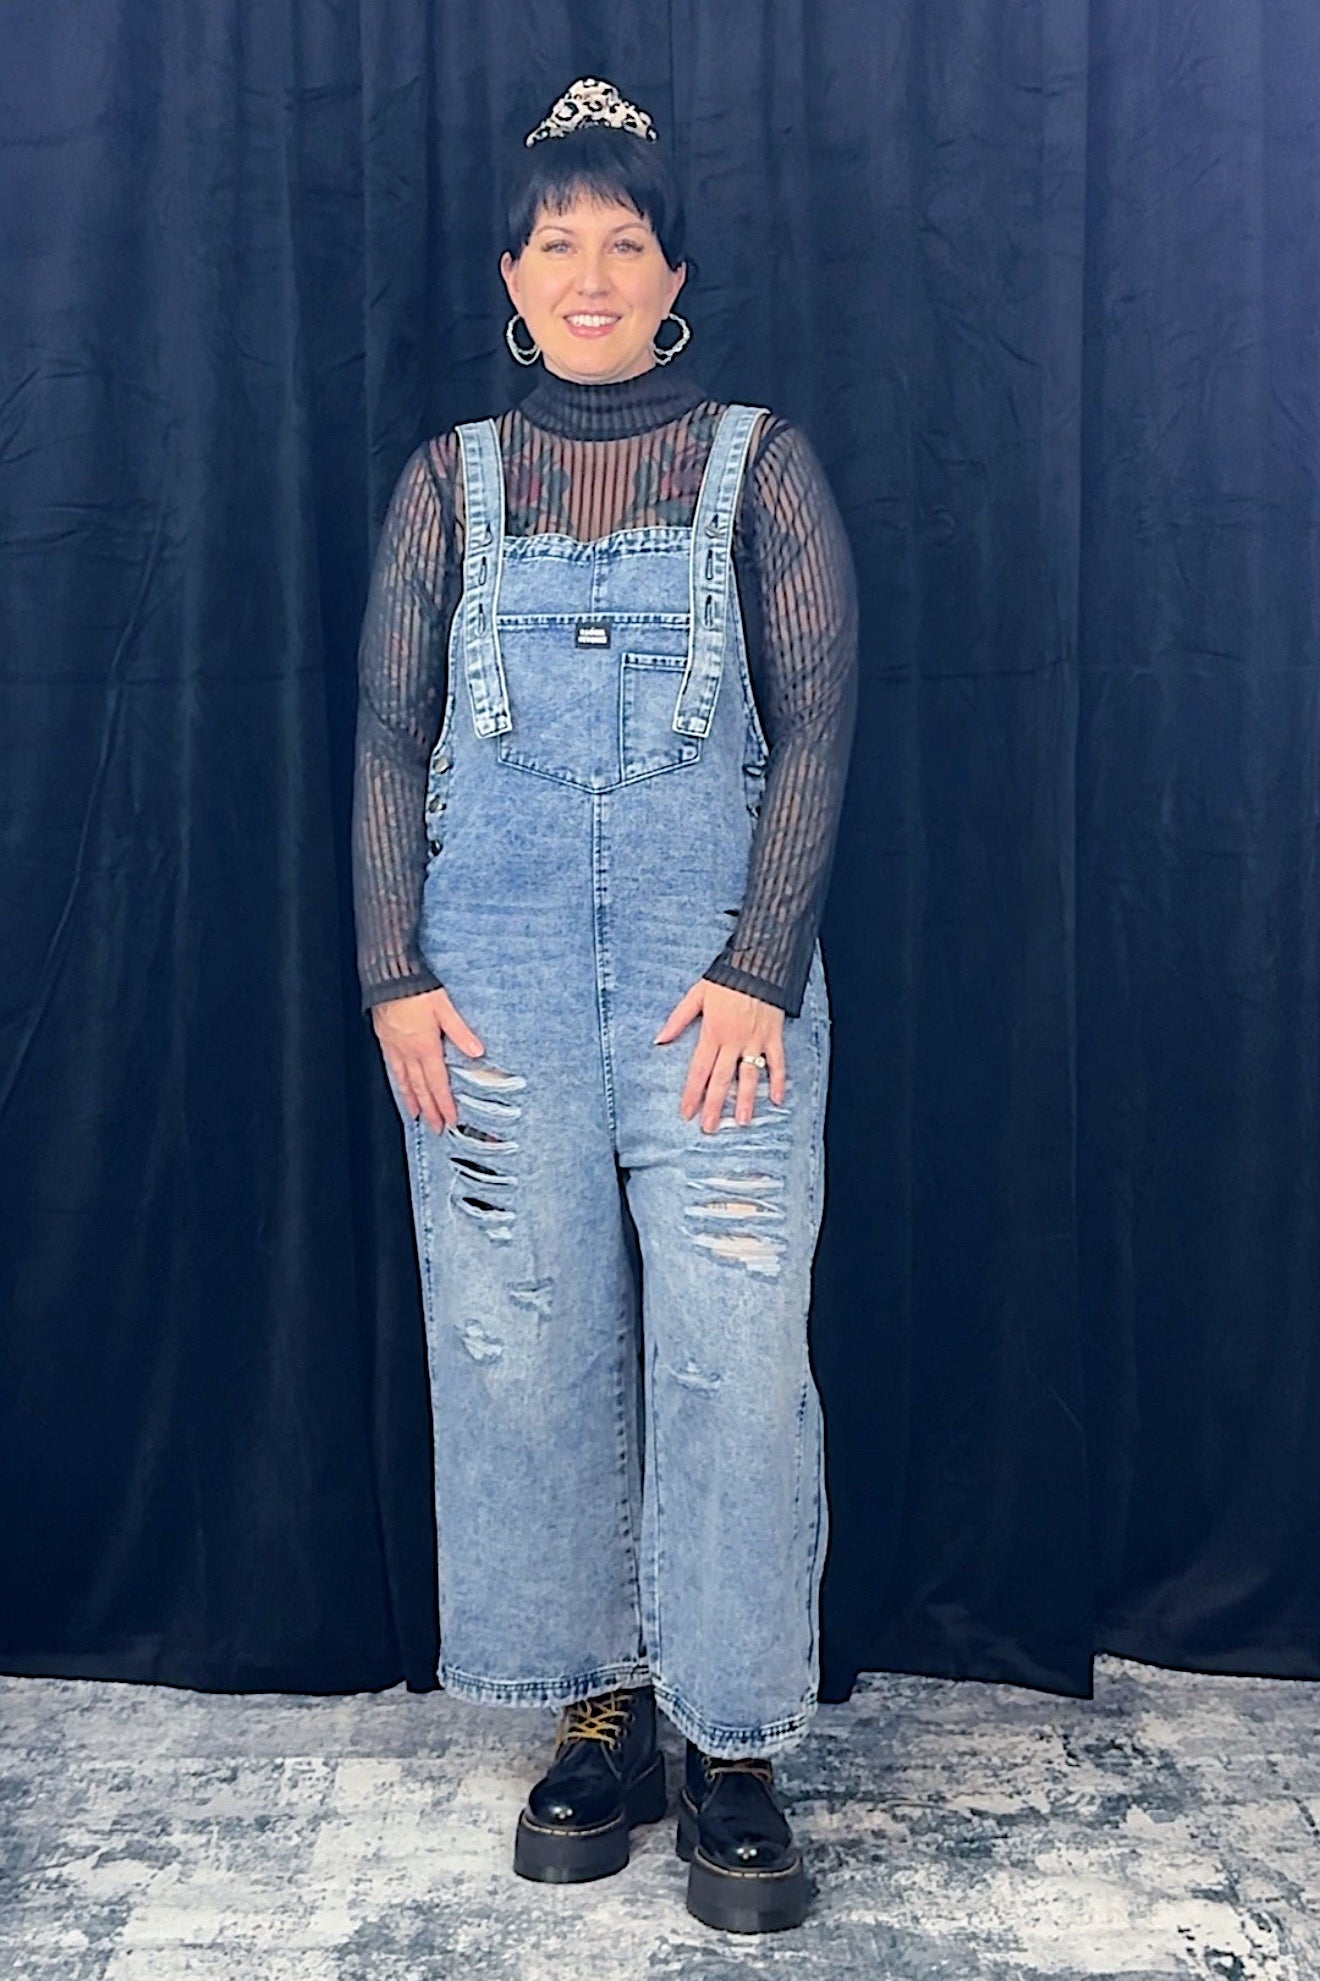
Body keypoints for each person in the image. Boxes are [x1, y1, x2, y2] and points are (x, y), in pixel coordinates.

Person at [352, 75, 858, 1935]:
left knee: (732, 1344)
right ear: (512, 273)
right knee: (521, 1336)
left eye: (621, 243)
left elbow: (815, 727)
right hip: (482, 987)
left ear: (673, 280)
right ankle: (601, 1712)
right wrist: (391, 968)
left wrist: (759, 966)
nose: (588, 271)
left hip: (708, 981)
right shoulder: (447, 482)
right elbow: (388, 743)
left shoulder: (761, 465)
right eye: (556, 240)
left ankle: (731, 1740)